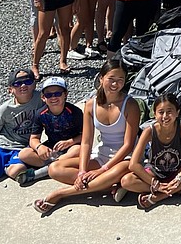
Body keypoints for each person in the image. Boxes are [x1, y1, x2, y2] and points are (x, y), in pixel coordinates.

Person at [33, 61, 140, 215]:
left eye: (120, 79)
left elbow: (129, 145)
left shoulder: (130, 105)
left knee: (121, 168)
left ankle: (61, 194)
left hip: (125, 157)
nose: (116, 84)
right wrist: (83, 171)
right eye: (111, 78)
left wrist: (102, 170)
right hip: (102, 153)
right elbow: (86, 141)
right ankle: (109, 185)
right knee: (55, 169)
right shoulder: (91, 105)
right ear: (101, 78)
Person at [120, 93, 181, 209]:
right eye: (161, 112)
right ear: (154, 114)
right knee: (126, 181)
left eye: (169, 111)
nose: (165, 116)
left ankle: (160, 196)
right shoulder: (149, 131)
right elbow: (133, 164)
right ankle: (176, 190)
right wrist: (154, 184)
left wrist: (180, 176)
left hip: (178, 169)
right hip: (156, 172)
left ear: (177, 112)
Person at [14, 76, 82, 185]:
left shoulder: (75, 112)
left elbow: (87, 135)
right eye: (49, 95)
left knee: (77, 151)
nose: (53, 97)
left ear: (65, 94)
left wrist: (70, 141)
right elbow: (34, 138)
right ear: (43, 97)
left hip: (72, 146)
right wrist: (40, 147)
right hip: (52, 149)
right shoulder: (40, 114)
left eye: (57, 93)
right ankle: (56, 166)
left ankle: (39, 173)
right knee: (24, 154)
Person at [0, 68, 44, 184]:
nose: (23, 86)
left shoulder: (41, 99)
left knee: (18, 171)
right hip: (1, 145)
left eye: (27, 82)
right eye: (17, 83)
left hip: (21, 147)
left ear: (34, 84)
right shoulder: (5, 109)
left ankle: (4, 167)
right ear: (10, 90)